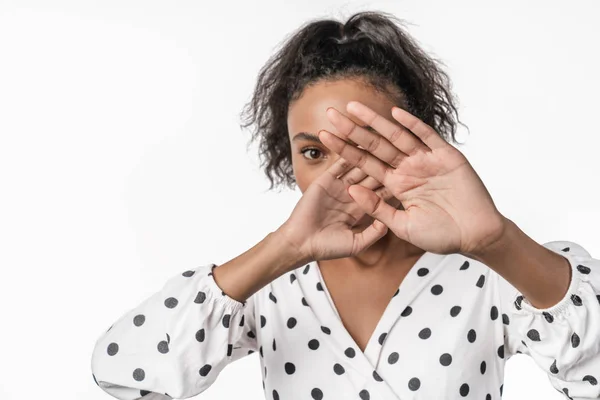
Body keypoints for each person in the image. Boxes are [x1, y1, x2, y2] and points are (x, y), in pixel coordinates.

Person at [91, 10, 600, 400]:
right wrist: (283, 249)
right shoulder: (268, 289)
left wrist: (498, 242)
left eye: (365, 145)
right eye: (313, 152)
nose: (342, 173)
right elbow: (121, 371)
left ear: (415, 139)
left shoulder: (488, 277)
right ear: (287, 157)